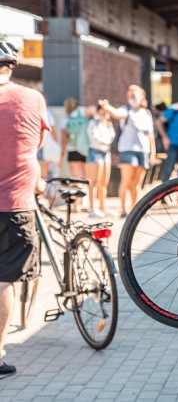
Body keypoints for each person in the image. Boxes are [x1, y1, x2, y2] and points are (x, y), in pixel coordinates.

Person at [0, 41, 50, 378]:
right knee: (4, 280)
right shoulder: (32, 99)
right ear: (12, 66)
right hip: (15, 205)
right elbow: (34, 147)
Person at [99, 85, 156, 217]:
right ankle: (124, 210)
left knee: (137, 182)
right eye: (129, 95)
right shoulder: (126, 110)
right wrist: (106, 107)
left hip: (144, 150)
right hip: (128, 149)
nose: (131, 97)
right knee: (126, 180)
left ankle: (136, 209)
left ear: (142, 96)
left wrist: (152, 153)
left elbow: (151, 136)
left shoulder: (146, 113)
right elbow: (116, 114)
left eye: (134, 94)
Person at [59, 97, 91, 211]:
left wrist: (61, 156)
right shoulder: (83, 116)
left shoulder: (65, 120)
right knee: (87, 178)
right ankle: (88, 204)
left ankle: (76, 205)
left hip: (72, 151)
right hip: (85, 150)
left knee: (76, 179)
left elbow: (64, 140)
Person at [85, 104, 116, 218]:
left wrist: (106, 142)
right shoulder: (93, 122)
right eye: (102, 111)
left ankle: (103, 207)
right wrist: (105, 141)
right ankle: (92, 208)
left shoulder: (108, 124)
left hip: (106, 152)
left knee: (104, 182)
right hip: (95, 152)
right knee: (94, 182)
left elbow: (112, 136)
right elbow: (94, 137)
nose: (105, 113)